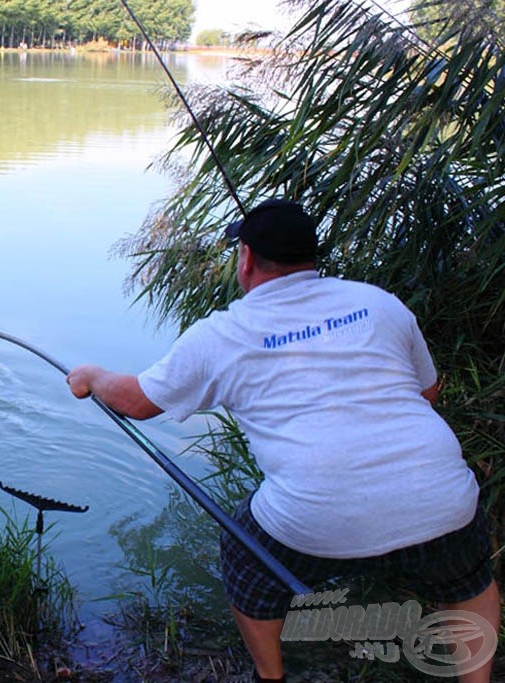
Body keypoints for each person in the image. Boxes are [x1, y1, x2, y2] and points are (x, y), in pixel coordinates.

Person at [66, 199, 500, 682]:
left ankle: (270, 676)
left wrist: (93, 374)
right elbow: (428, 392)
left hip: (311, 518)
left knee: (244, 555)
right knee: (469, 582)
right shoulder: (379, 302)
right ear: (312, 257)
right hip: (441, 498)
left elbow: (137, 401)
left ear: (246, 259)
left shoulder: (221, 334)